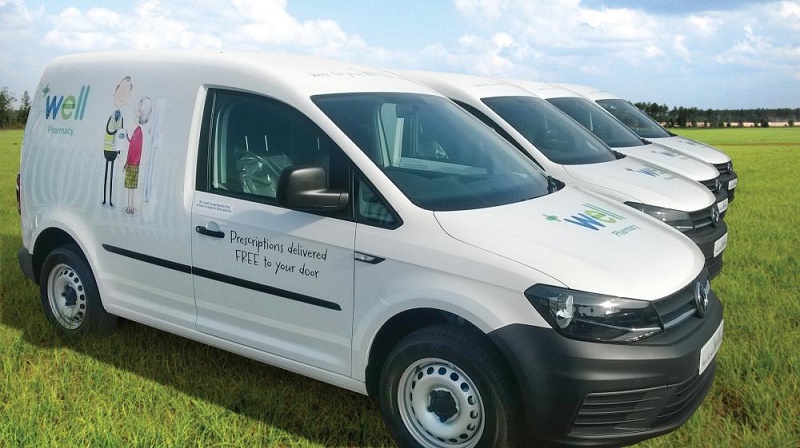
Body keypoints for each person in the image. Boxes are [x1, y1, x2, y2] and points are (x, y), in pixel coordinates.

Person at [123, 97, 152, 215]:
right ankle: (130, 206)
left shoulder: (139, 131)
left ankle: (130, 207)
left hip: (133, 164)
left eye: (137, 109)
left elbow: (134, 150)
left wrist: (127, 163)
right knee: (130, 188)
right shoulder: (138, 130)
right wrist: (126, 137)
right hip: (132, 164)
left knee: (131, 189)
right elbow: (132, 146)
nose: (134, 111)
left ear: (139, 112)